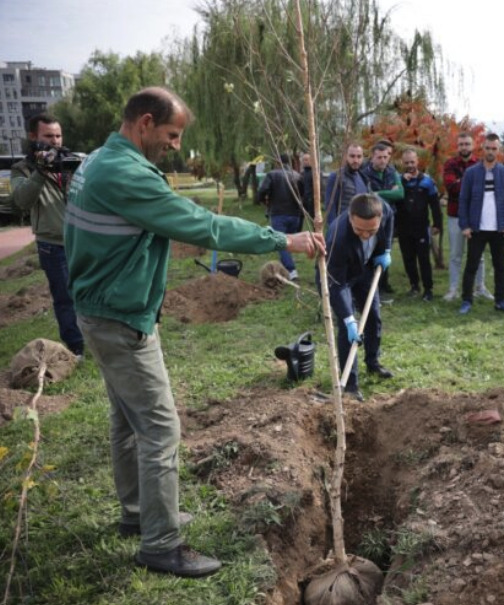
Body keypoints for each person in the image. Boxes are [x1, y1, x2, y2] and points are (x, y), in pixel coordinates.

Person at [64, 87, 325, 578]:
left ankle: (139, 514)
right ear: (144, 123)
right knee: (160, 429)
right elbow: (202, 225)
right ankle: (162, 544)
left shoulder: (101, 159)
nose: (176, 146)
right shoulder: (123, 173)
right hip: (119, 317)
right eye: (171, 135)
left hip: (100, 309)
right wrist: (282, 239)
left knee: (127, 420)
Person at [11, 113, 84, 358]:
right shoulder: (22, 169)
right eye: (48, 136)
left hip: (83, 240)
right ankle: (77, 347)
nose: (55, 141)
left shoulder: (72, 161)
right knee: (65, 298)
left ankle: (98, 339)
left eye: (58, 135)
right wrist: (41, 171)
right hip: (52, 245)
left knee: (91, 291)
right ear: (34, 137)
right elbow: (21, 200)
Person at [326, 193, 395, 401]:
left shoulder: (384, 210)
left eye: (371, 231)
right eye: (359, 230)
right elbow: (336, 285)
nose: (365, 235)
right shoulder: (337, 239)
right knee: (348, 329)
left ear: (379, 218)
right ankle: (350, 385)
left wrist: (386, 249)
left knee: (373, 315)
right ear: (350, 218)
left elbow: (390, 221)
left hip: (365, 269)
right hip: (341, 277)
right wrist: (348, 319)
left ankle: (373, 363)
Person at [457, 133, 504, 314]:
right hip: (477, 228)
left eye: (494, 148)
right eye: (488, 148)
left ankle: (500, 301)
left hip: (499, 229)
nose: (491, 151)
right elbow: (464, 200)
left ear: (498, 150)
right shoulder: (471, 173)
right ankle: (466, 300)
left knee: (500, 267)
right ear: (482, 149)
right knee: (471, 266)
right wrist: (465, 225)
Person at [442, 132, 491, 302]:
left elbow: (482, 188)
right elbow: (451, 187)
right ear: (458, 146)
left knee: (479, 255)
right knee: (456, 254)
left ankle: (480, 287)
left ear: (472, 146)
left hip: (477, 215)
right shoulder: (450, 164)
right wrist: (471, 183)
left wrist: (462, 182)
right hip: (455, 215)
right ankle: (453, 289)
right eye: (461, 144)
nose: (464, 147)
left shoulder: (480, 164)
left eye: (467, 144)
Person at [399, 148, 442, 301]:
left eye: (412, 162)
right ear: (402, 163)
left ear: (417, 161)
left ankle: (428, 290)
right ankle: (414, 286)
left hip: (422, 227)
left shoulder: (427, 181)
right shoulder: (398, 181)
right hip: (403, 228)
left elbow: (435, 205)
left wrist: (437, 224)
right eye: (406, 162)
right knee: (408, 258)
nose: (410, 165)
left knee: (424, 259)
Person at [361, 141, 403, 296]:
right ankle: (370, 287)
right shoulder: (364, 173)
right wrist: (389, 192)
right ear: (372, 157)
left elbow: (400, 194)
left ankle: (383, 284)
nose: (383, 160)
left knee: (385, 251)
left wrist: (379, 193)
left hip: (389, 220)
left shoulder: (392, 171)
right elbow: (368, 195)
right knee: (370, 252)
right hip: (371, 219)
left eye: (386, 157)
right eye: (379, 157)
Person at [258, 153, 304, 280]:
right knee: (289, 243)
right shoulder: (297, 175)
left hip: (279, 213)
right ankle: (286, 267)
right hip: (295, 214)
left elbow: (262, 191)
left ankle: (291, 271)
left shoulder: (272, 174)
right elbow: (303, 195)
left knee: (282, 243)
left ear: (278, 162)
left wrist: (262, 200)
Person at [325, 143, 369, 225]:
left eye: (359, 156)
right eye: (352, 156)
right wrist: (333, 228)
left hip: (360, 227)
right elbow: (330, 206)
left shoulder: (363, 178)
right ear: (346, 156)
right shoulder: (336, 177)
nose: (356, 160)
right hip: (342, 225)